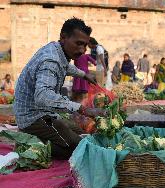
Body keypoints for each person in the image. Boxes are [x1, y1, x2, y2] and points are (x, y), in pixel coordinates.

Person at [14, 18, 106, 160]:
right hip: (32, 117)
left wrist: (84, 75)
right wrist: (83, 109)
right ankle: (29, 142)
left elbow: (65, 66)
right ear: (64, 37)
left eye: (85, 45)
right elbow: (43, 96)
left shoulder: (57, 49)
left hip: (45, 113)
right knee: (80, 148)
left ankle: (47, 137)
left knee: (79, 131)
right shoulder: (51, 60)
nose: (82, 50)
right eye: (78, 43)